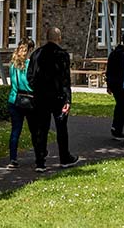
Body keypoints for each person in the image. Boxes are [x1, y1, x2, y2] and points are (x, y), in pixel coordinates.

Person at [27, 27, 79, 172]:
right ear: (59, 38)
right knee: (61, 128)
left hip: (40, 96)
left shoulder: (36, 54)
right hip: (58, 97)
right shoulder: (62, 55)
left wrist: (35, 89)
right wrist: (68, 100)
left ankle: (40, 161)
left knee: (41, 129)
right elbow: (65, 80)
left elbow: (29, 76)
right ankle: (64, 157)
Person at [7, 38, 35, 168]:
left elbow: (13, 83)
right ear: (30, 50)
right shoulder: (30, 64)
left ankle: (13, 158)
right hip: (29, 100)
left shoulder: (13, 65)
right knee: (34, 130)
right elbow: (31, 84)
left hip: (14, 99)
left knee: (15, 131)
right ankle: (39, 155)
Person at [105, 32, 124, 140]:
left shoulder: (114, 53)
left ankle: (116, 127)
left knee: (120, 105)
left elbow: (109, 69)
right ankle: (120, 129)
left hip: (114, 83)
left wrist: (108, 84)